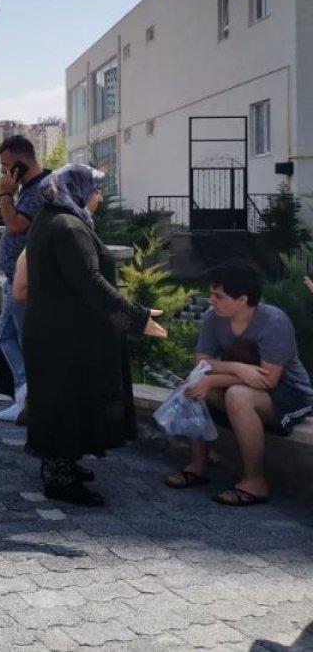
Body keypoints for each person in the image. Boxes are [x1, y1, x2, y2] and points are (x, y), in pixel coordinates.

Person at [22, 164, 167, 506]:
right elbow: (90, 281)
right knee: (66, 402)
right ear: (78, 190)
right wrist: (136, 319)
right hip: (64, 338)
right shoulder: (68, 227)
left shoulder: (52, 218)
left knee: (64, 400)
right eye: (96, 190)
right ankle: (60, 478)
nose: (99, 198)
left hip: (56, 332)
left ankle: (64, 465)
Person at [164, 260, 313, 506]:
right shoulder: (213, 317)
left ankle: (254, 482)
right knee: (193, 385)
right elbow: (202, 362)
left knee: (236, 395)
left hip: (288, 394)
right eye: (211, 294)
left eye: (218, 296)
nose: (211, 300)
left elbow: (267, 379)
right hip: (243, 383)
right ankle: (197, 466)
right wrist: (236, 368)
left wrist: (214, 378)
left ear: (242, 299)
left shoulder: (273, 322)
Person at [0, 135, 51, 423]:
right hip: (15, 279)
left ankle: (30, 399)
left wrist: (5, 194)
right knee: (7, 335)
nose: (3, 173)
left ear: (22, 163)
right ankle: (25, 393)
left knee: (25, 340)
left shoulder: (40, 190)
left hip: (25, 282)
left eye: (6, 166)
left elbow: (14, 225)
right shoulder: (30, 187)